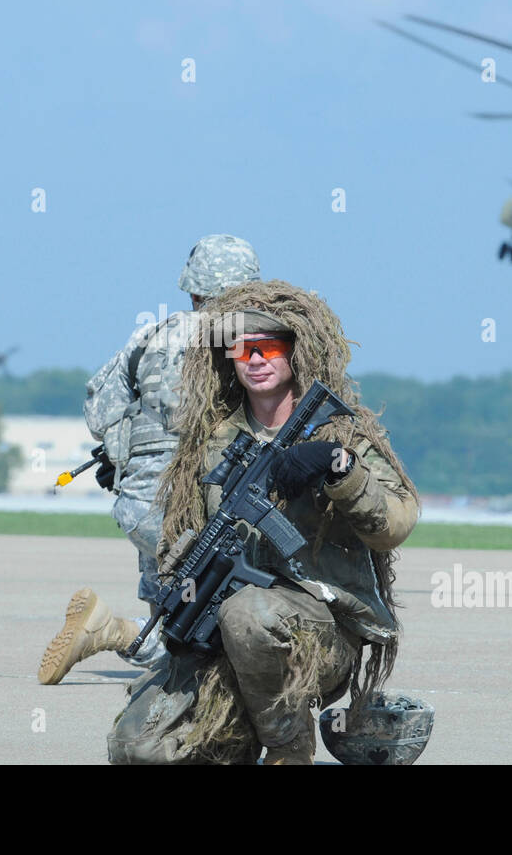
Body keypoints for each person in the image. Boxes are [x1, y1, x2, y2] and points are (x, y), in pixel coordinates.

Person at [107, 280, 419, 764]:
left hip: (320, 631)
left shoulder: (339, 433)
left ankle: (289, 747)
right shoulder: (211, 443)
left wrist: (339, 466)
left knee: (250, 613)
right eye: (240, 349)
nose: (254, 359)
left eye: (267, 347)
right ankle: (237, 734)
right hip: (227, 637)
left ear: (295, 353)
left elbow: (396, 523)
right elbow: (182, 533)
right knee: (138, 748)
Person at [37, 234, 260, 684]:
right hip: (199, 511)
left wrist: (124, 454)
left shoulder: (152, 332)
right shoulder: (247, 340)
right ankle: (113, 630)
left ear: (193, 289)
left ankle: (113, 632)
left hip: (140, 505)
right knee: (217, 634)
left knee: (175, 631)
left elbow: (100, 409)